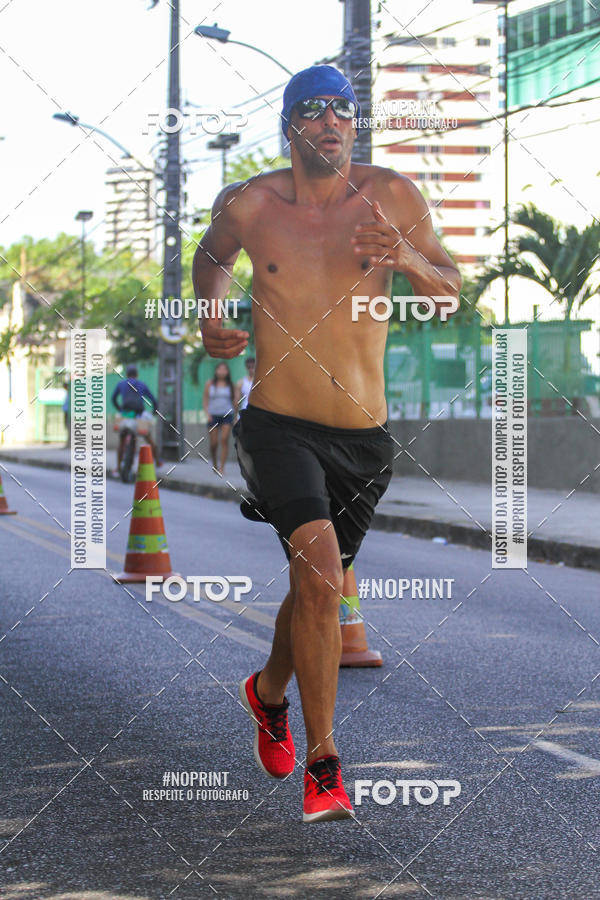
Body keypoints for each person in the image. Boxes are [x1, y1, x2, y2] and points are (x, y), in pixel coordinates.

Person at [193, 65, 461, 824]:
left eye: (345, 112)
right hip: (279, 425)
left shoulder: (394, 197)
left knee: (315, 584)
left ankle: (266, 692)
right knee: (318, 575)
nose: (333, 124)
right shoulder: (253, 204)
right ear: (290, 125)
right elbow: (210, 258)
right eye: (315, 112)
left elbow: (451, 286)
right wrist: (210, 317)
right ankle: (325, 762)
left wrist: (406, 259)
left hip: (366, 439)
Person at [111, 364, 161, 471]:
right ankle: (158, 461)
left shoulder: (121, 384)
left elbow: (113, 398)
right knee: (149, 439)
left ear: (127, 374)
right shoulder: (142, 385)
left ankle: (118, 467)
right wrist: (153, 413)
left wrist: (120, 409)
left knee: (122, 440)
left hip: (125, 416)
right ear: (137, 374)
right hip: (139, 417)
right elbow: (154, 401)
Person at [203, 362, 235, 474]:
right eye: (220, 369)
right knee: (214, 443)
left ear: (227, 372)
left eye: (224, 369)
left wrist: (235, 417)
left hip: (227, 415)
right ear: (216, 371)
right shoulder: (210, 384)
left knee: (224, 440)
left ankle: (222, 467)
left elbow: (234, 402)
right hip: (213, 416)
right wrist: (208, 414)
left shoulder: (231, 385)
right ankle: (215, 464)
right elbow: (205, 400)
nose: (222, 371)